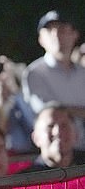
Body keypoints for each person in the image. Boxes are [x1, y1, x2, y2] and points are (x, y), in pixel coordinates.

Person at [22, 10, 85, 148]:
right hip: (56, 149)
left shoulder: (82, 73)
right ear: (40, 39)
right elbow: (47, 113)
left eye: (62, 29)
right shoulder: (35, 73)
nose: (56, 35)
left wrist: (69, 110)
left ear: (75, 35)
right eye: (49, 31)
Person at [20, 103, 85, 173]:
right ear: (36, 138)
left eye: (64, 126)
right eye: (50, 126)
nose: (58, 132)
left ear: (76, 135)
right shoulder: (26, 181)